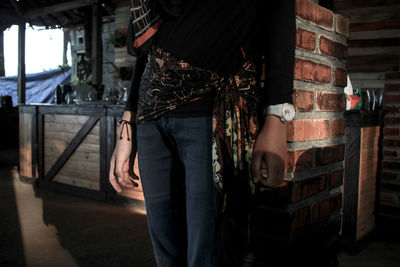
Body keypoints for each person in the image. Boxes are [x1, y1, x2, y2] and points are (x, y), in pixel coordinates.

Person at [109, 1, 295, 266]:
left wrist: (277, 115)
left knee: (207, 254)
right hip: (151, 119)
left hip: (209, 113)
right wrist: (128, 125)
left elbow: (280, 14)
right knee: (166, 253)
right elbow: (147, 50)